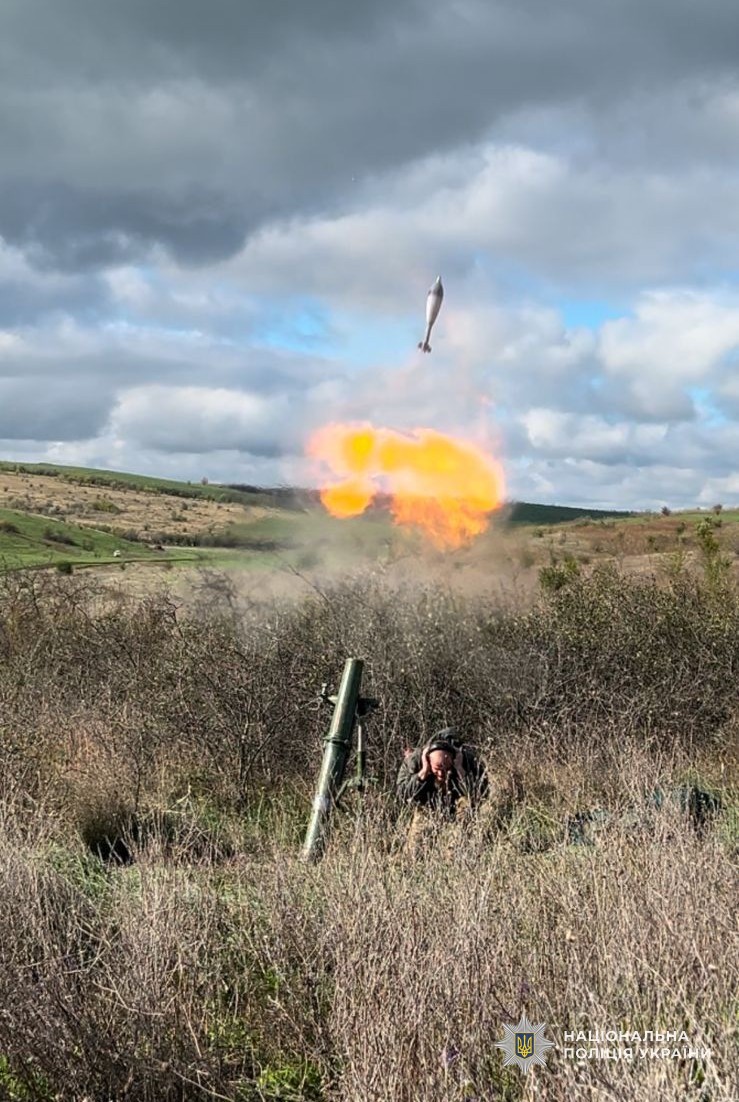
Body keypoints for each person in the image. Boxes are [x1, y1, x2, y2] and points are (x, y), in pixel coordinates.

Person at [396, 727, 488, 855]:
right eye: (437, 768)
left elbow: (482, 793)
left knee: (457, 852)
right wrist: (423, 773)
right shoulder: (415, 761)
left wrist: (460, 770)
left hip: (460, 807)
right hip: (428, 806)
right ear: (428, 761)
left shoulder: (468, 760)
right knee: (413, 853)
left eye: (446, 768)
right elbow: (403, 794)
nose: (441, 773)